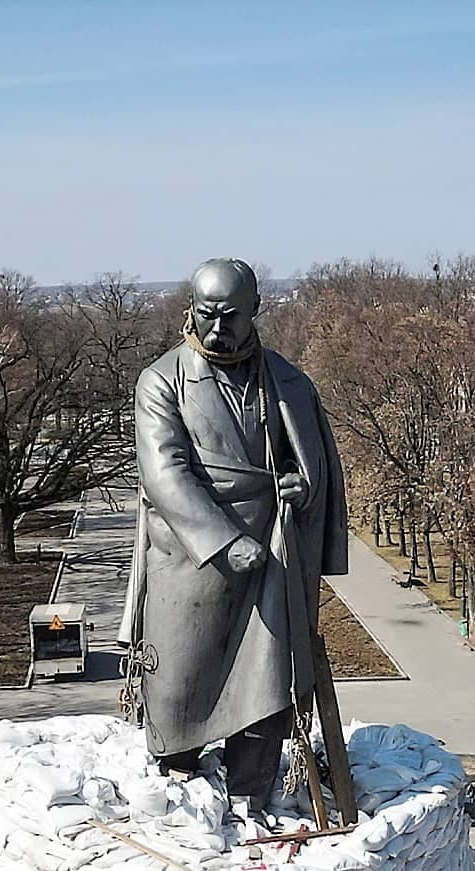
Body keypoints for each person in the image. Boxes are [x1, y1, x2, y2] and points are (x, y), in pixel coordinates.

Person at [118, 258, 348, 814]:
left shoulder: (288, 381)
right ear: (189, 311)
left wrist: (302, 483)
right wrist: (223, 539)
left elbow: (312, 461)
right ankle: (179, 790)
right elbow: (165, 474)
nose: (218, 329)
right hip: (191, 559)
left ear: (255, 312)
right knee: (180, 682)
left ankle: (252, 795)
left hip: (272, 551)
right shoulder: (162, 380)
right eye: (207, 315)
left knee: (267, 681)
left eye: (232, 317)